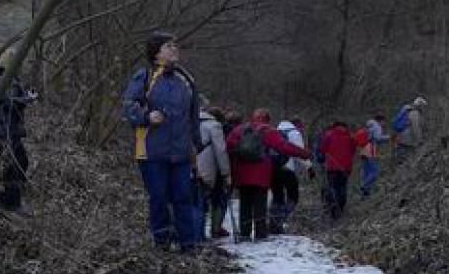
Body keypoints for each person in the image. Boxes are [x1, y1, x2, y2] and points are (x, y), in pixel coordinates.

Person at [122, 30, 201, 252]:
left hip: (182, 151)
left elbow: (193, 116)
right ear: (156, 53)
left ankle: (188, 245)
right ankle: (162, 243)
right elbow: (129, 107)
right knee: (158, 197)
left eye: (175, 46)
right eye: (168, 46)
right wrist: (147, 117)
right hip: (151, 151)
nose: (174, 49)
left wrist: (196, 144)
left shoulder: (186, 79)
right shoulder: (144, 77)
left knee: (183, 198)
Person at [226, 108, 309, 241]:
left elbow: (229, 144)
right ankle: (260, 233)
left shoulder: (240, 129)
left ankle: (245, 233)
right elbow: (284, 146)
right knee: (260, 203)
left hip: (241, 173)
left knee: (245, 203)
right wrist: (304, 154)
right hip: (261, 173)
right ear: (267, 119)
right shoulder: (268, 131)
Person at [0, 47, 37, 214]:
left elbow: (13, 101)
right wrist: (26, 99)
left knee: (21, 160)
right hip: (2, 129)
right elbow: (7, 102)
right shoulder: (0, 79)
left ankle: (9, 195)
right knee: (14, 164)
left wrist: (26, 98)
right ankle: (10, 203)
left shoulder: (8, 78)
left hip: (7, 129)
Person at [195, 100, 231, 241]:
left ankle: (192, 235)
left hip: (188, 168)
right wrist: (226, 173)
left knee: (193, 202)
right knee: (202, 203)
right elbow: (220, 151)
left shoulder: (189, 123)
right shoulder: (214, 126)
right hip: (207, 169)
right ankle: (201, 236)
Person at [269, 117, 309, 234]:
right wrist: (309, 167)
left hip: (273, 168)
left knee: (277, 196)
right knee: (293, 196)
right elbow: (300, 152)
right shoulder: (295, 133)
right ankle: (280, 220)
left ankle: (273, 222)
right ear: (297, 124)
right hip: (287, 168)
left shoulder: (275, 130)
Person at [319, 119, 357, 220]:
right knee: (342, 187)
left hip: (332, 166)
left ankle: (333, 210)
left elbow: (322, 149)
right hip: (346, 168)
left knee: (332, 187)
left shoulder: (329, 135)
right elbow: (353, 151)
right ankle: (341, 208)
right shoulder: (350, 136)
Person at [360, 113, 389, 197]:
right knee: (374, 172)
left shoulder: (369, 126)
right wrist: (388, 137)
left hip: (363, 149)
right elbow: (378, 138)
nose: (384, 124)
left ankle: (365, 194)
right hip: (371, 150)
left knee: (366, 172)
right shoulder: (377, 127)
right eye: (384, 122)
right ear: (381, 121)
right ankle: (364, 186)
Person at [393, 96, 427, 162]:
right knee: (407, 159)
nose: (424, 108)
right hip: (408, 140)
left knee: (400, 158)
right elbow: (416, 128)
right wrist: (420, 140)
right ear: (420, 105)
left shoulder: (407, 110)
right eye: (423, 106)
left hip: (400, 137)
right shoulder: (415, 113)